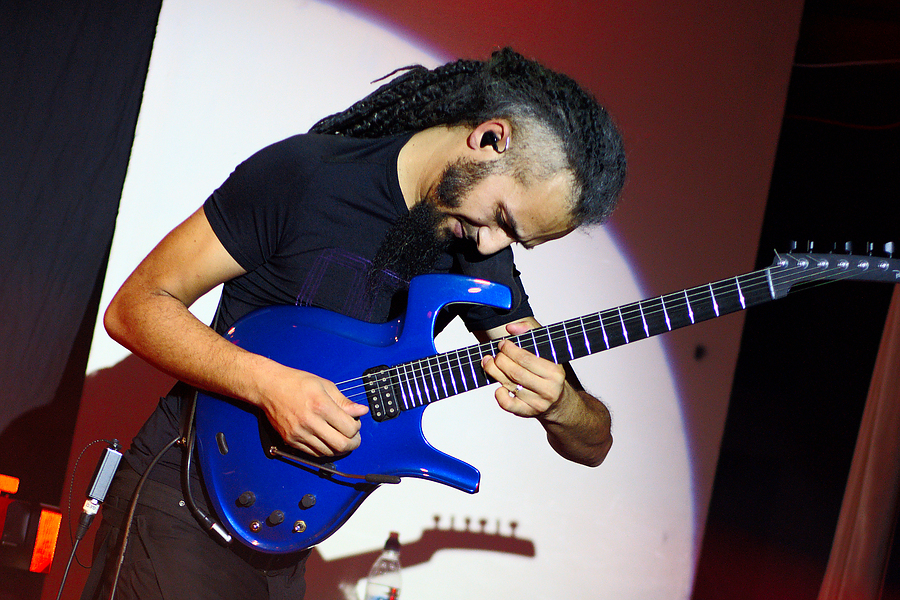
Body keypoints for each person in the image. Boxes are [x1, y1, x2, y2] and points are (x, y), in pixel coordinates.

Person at [81, 47, 626, 600]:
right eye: (503, 218)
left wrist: (563, 406)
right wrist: (270, 386)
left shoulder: (477, 248)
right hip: (184, 499)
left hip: (285, 536)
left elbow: (592, 442)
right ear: (490, 139)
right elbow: (136, 308)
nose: (492, 245)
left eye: (517, 241)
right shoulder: (306, 176)